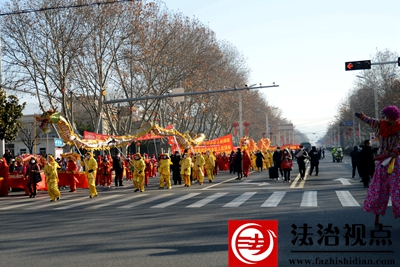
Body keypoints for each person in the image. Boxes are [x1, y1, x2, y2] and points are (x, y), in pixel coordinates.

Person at [355, 105, 400, 225]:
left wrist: (395, 152)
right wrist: (362, 116)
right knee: (378, 190)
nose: (384, 118)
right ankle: (376, 219)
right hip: (383, 162)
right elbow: (370, 121)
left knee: (397, 191)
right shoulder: (381, 124)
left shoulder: (399, 128)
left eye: (386, 116)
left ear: (392, 117)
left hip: (396, 162)